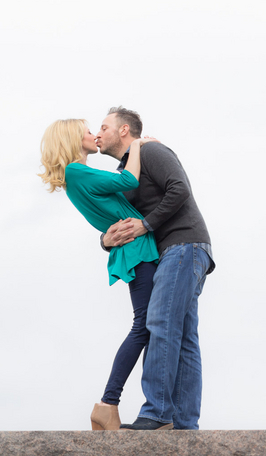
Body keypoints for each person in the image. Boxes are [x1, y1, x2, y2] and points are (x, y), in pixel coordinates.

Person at [95, 106, 214, 431]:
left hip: (184, 245)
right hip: (175, 252)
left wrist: (146, 225)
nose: (98, 133)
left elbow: (179, 189)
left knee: (159, 321)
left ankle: (157, 413)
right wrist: (105, 242)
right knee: (185, 336)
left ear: (124, 130)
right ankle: (184, 423)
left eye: (104, 127)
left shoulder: (153, 151)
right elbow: (118, 222)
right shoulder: (126, 173)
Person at [37, 119, 161, 431]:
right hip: (138, 248)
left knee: (147, 324)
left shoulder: (75, 176)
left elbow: (119, 184)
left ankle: (115, 404)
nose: (94, 135)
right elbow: (129, 179)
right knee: (144, 324)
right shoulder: (76, 171)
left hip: (131, 248)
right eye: (88, 131)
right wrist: (137, 144)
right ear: (72, 139)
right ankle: (109, 402)